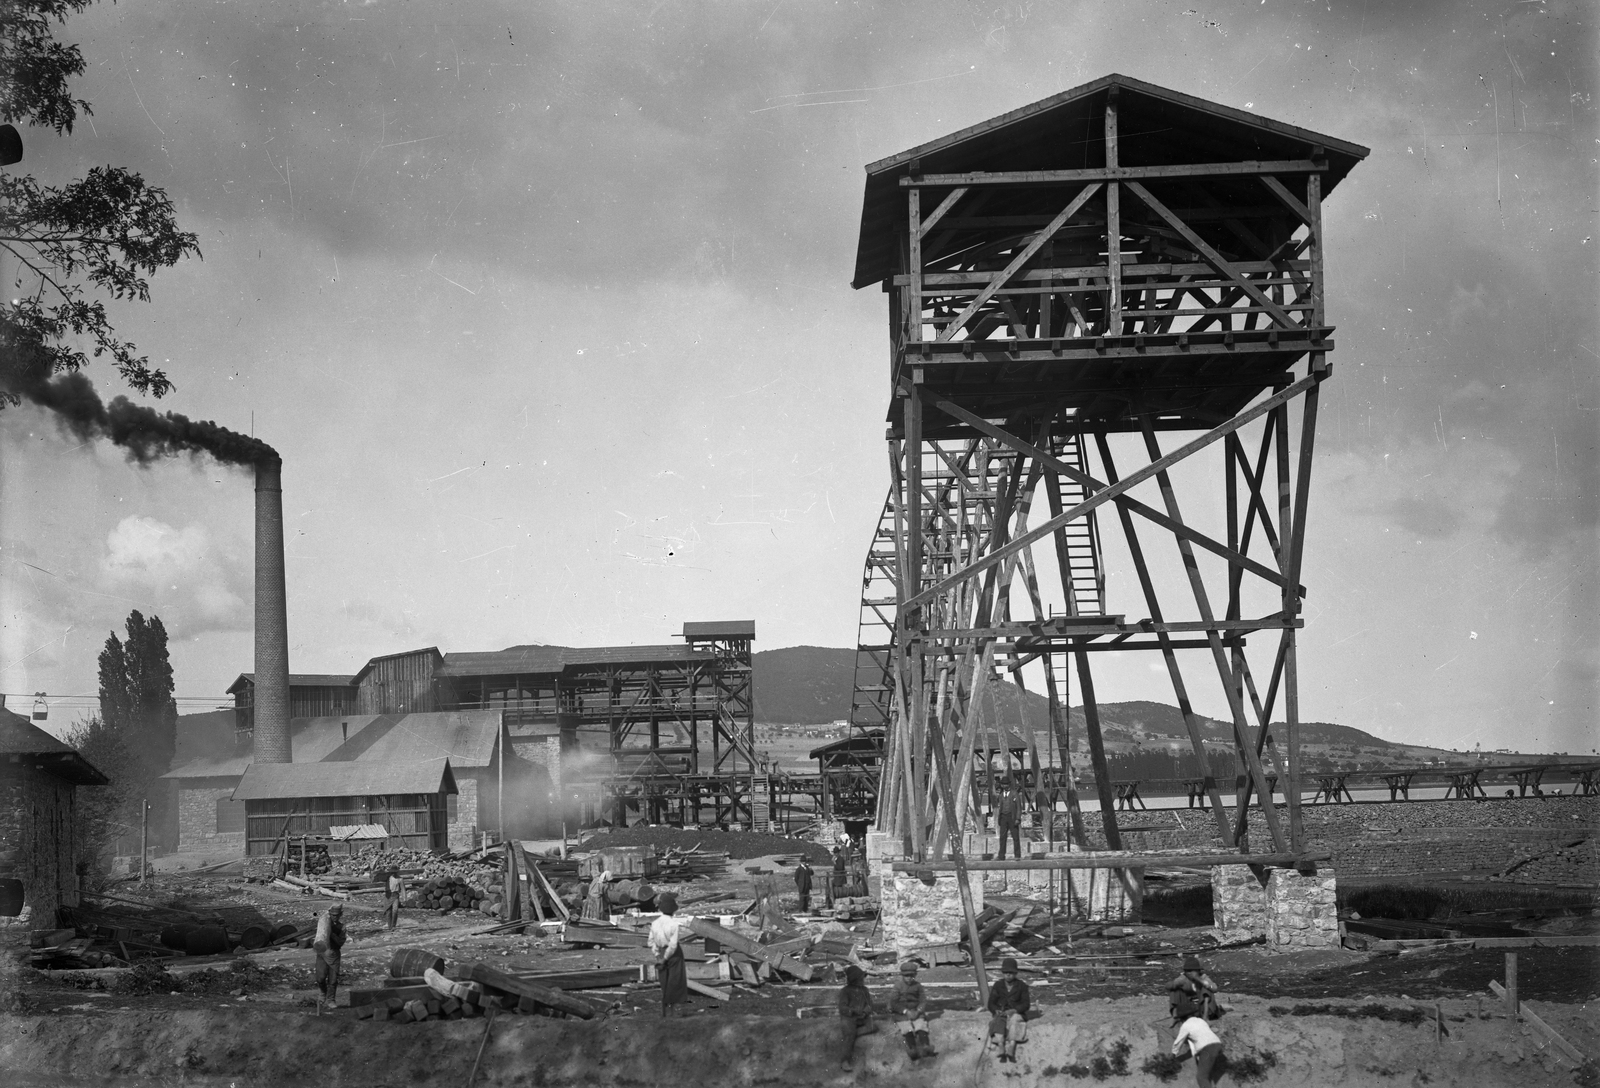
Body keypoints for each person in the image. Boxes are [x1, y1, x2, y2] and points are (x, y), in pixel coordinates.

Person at [648, 891, 688, 1018]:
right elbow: (673, 945)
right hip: (673, 954)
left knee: (664, 982)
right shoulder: (673, 924)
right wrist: (665, 958)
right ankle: (675, 1013)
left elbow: (651, 941)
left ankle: (666, 1012)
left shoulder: (655, 923)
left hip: (660, 951)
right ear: (672, 911)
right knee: (676, 981)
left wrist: (657, 955)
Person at [986, 957, 1030, 1063]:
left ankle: (1012, 1046)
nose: (1008, 975)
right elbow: (991, 1003)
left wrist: (1015, 1010)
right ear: (1003, 973)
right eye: (1006, 972)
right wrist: (996, 1010)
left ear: (1015, 973)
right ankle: (1001, 1045)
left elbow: (1026, 1004)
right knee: (998, 1021)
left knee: (1014, 1020)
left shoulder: (1022, 986)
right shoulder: (998, 985)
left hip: (1016, 1013)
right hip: (1002, 1012)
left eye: (1011, 973)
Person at [890, 959, 935, 1061]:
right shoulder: (898, 986)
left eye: (911, 976)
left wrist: (918, 1011)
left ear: (915, 975)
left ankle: (925, 1046)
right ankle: (912, 1048)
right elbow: (893, 1003)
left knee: (921, 1026)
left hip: (915, 1011)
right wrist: (905, 1011)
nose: (909, 978)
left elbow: (923, 1000)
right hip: (902, 1013)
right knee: (907, 1028)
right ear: (902, 975)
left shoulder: (918, 986)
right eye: (906, 976)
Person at [838, 964, 877, 1071]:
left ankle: (856, 1033)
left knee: (873, 1027)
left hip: (862, 1017)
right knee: (849, 1037)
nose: (862, 980)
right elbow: (842, 1007)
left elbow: (869, 1004)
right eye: (860, 978)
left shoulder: (864, 990)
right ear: (854, 980)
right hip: (849, 1018)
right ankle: (845, 1061)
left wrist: (865, 1012)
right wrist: (853, 1011)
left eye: (862, 978)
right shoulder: (845, 991)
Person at [1171, 1011, 1224, 1087]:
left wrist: (1173, 1055)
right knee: (1206, 1072)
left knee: (1201, 1077)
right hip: (1218, 1044)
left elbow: (1178, 1042)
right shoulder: (1200, 1021)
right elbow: (1200, 1036)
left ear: (1182, 1019)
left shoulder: (1186, 1025)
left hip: (1208, 1048)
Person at [1167, 956, 1221, 1023]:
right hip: (1190, 1009)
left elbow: (1214, 988)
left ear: (1198, 971)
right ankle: (1176, 1016)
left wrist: (1199, 980)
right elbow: (1171, 985)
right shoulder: (1183, 978)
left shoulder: (1203, 977)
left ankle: (1206, 1017)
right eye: (1187, 971)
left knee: (1207, 989)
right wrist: (1177, 984)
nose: (1189, 973)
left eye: (1192, 970)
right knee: (1175, 990)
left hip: (1202, 1008)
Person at [312, 904, 346, 1008]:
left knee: (333, 979)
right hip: (322, 953)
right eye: (332, 915)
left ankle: (331, 999)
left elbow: (341, 942)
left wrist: (332, 934)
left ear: (340, 915)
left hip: (334, 954)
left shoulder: (341, 927)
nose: (334, 917)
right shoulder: (324, 923)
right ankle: (323, 992)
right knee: (320, 977)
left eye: (336, 915)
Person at [996, 785, 1023, 861]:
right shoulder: (1001, 795)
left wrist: (1018, 818)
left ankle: (1017, 855)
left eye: (1006, 784)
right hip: (1003, 817)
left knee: (1015, 837)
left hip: (1012, 817)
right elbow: (1000, 806)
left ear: (1009, 785)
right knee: (1002, 837)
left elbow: (1018, 807)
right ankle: (1001, 855)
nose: (1004, 786)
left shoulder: (1014, 794)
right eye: (1003, 784)